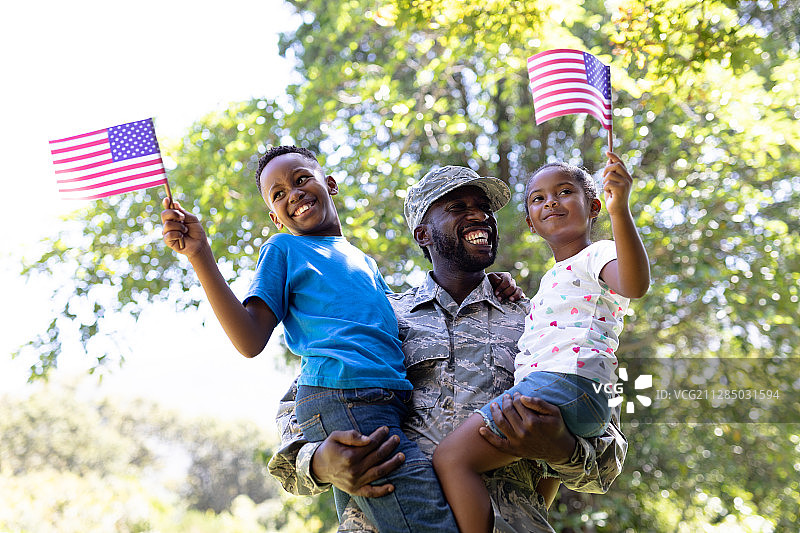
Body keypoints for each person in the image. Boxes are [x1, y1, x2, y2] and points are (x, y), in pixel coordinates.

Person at [268, 164, 630, 533]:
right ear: (423, 233)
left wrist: (561, 448)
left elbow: (607, 454)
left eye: (484, 208)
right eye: (458, 207)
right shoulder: (381, 318)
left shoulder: (539, 319)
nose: (479, 216)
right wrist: (318, 463)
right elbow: (303, 416)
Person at [161, 145, 459, 532]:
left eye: (301, 179)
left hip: (386, 400)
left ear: (329, 184)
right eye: (279, 193)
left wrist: (493, 283)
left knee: (412, 510)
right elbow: (250, 339)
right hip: (346, 396)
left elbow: (401, 320)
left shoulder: (362, 261)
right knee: (425, 521)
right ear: (274, 216)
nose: (294, 193)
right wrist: (201, 256)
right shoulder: (284, 249)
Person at [432, 152, 650, 533]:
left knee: (452, 458)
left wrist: (621, 213)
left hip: (561, 383)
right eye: (538, 198)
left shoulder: (598, 254)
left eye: (565, 192)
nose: (551, 201)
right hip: (573, 391)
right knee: (539, 471)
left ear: (593, 206)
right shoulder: (550, 282)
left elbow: (634, 284)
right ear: (531, 223)